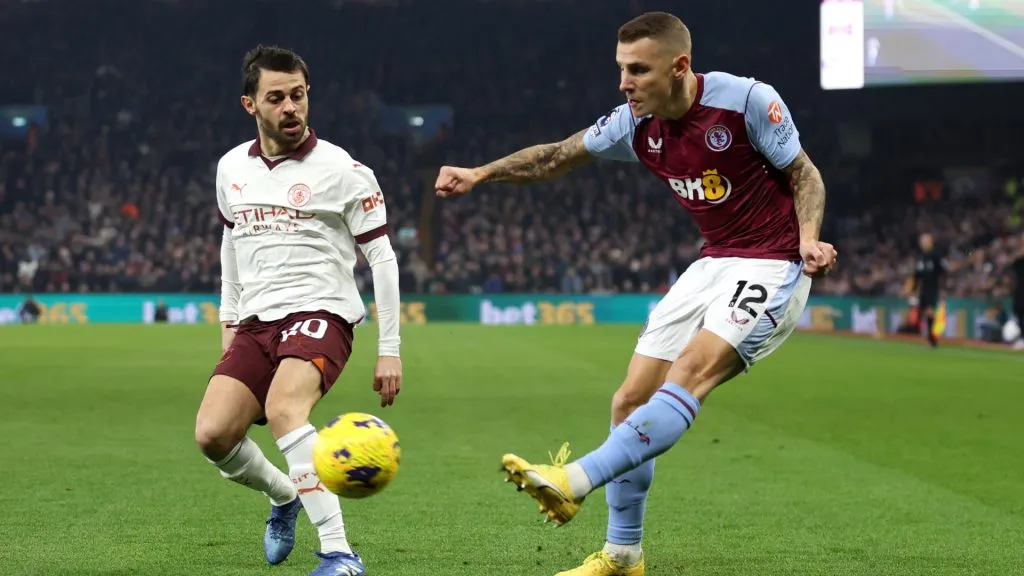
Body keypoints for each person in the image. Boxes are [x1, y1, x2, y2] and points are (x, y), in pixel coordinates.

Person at [434, 12, 836, 576]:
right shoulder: (633, 124)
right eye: (622, 69)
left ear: (680, 67)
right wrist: (480, 173)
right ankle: (623, 556)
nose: (625, 83)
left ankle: (575, 479)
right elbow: (557, 155)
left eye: (639, 70)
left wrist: (809, 239)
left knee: (689, 372)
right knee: (628, 403)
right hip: (712, 262)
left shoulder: (746, 102)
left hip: (773, 262)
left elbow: (804, 173)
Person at [193, 45, 403, 576]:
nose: (291, 107)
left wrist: (390, 350)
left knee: (286, 409)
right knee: (213, 434)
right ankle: (284, 494)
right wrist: (229, 318)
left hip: (321, 313)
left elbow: (382, 257)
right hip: (256, 321)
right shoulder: (230, 168)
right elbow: (231, 244)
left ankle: (339, 554)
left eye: (299, 95)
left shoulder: (344, 170)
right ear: (250, 104)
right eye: (276, 98)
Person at [905, 233, 945, 347]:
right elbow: (917, 274)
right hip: (922, 288)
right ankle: (925, 335)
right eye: (922, 241)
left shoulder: (936, 255)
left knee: (929, 311)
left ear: (930, 242)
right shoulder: (921, 256)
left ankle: (932, 338)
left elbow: (942, 271)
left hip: (933, 287)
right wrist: (912, 288)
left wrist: (943, 287)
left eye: (925, 241)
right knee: (921, 312)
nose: (923, 243)